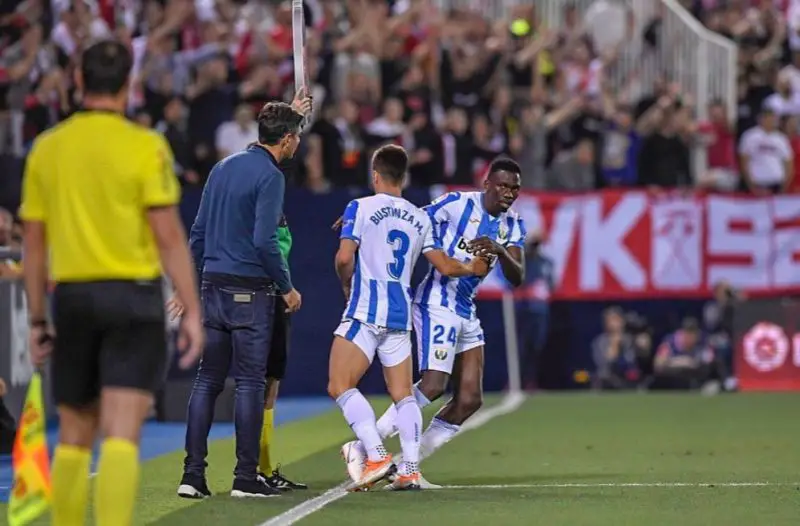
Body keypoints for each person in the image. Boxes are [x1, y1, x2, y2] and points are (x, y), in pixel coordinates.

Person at [20, 40, 204, 526]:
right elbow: (168, 236)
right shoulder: (145, 145)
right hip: (134, 299)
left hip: (74, 298)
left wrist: (37, 318)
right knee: (122, 433)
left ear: (78, 80)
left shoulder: (48, 148)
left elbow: (33, 244)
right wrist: (192, 310)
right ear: (130, 83)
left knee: (74, 435)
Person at [341, 157, 526, 488]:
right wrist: (365, 219)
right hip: (437, 301)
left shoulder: (513, 224)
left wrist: (499, 249)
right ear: (487, 184)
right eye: (503, 186)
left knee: (469, 399)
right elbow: (409, 217)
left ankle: (406, 467)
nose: (509, 193)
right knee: (434, 384)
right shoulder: (456, 204)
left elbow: (518, 276)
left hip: (466, 309)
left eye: (515, 188)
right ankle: (364, 447)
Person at [175, 94, 311, 499]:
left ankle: (192, 476)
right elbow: (265, 241)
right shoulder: (271, 176)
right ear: (286, 140)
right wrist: (286, 287)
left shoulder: (222, 167)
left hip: (211, 286)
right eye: (296, 137)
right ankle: (245, 477)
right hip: (249, 290)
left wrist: (186, 286)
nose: (297, 143)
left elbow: (198, 233)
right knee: (251, 382)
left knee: (207, 380)